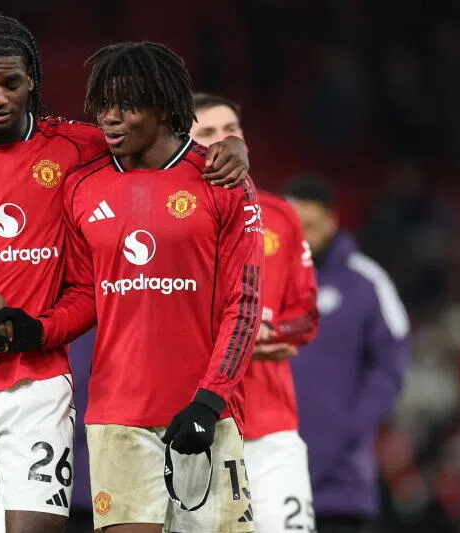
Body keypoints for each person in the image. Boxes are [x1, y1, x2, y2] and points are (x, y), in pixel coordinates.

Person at [0, 16, 251, 533]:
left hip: (38, 383)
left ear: (33, 79)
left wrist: (233, 147)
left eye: (11, 83)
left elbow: (161, 134)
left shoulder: (78, 146)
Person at [0, 41, 263, 533]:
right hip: (117, 415)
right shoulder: (82, 186)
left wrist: (209, 400)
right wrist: (37, 331)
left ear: (164, 107)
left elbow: (245, 303)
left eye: (127, 105)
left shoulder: (221, 179)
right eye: (103, 105)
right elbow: (87, 292)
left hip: (203, 412)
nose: (109, 118)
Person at [191, 94, 321, 533]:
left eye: (231, 129)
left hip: (272, 427)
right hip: (199, 425)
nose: (223, 140)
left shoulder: (281, 216)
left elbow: (306, 315)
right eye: (207, 133)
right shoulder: (171, 219)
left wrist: (269, 332)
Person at [284, 174, 410, 533]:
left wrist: (350, 426)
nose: (303, 235)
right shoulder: (263, 279)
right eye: (295, 225)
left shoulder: (366, 282)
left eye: (311, 225)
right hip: (267, 473)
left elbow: (392, 365)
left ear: (332, 221)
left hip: (340, 484)